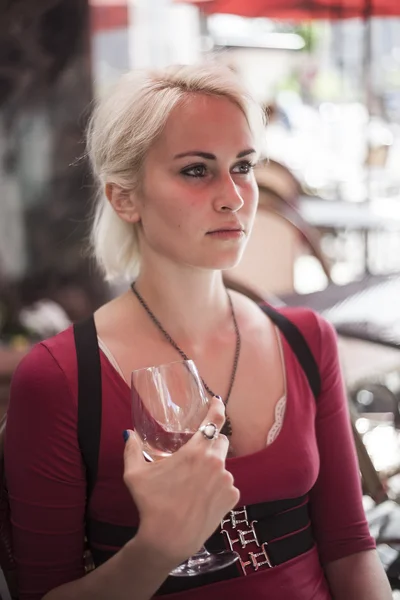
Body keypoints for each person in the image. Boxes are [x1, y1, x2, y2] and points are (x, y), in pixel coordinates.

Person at [4, 62, 392, 600]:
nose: (234, 196)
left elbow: (350, 550)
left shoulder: (306, 339)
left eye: (244, 166)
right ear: (125, 197)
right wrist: (157, 549)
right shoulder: (59, 377)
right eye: (196, 170)